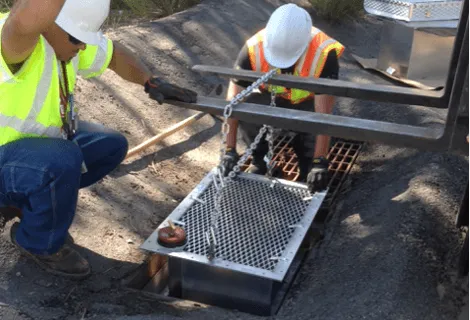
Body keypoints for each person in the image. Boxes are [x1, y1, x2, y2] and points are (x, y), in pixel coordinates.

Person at [0, 0, 197, 279]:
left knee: (109, 145)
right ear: (49, 23)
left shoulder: (66, 42)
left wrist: (149, 81)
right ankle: (37, 243)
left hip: (28, 157)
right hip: (8, 160)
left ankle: (28, 205)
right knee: (62, 159)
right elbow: (21, 22)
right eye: (77, 39)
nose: (82, 46)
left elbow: (113, 55)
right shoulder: (13, 45)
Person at [222, 3, 344, 193]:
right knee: (247, 110)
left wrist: (320, 161)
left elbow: (323, 115)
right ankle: (259, 160)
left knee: (312, 138)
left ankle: (307, 167)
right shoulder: (254, 48)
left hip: (309, 105)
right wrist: (228, 150)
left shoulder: (323, 53)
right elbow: (232, 103)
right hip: (271, 98)